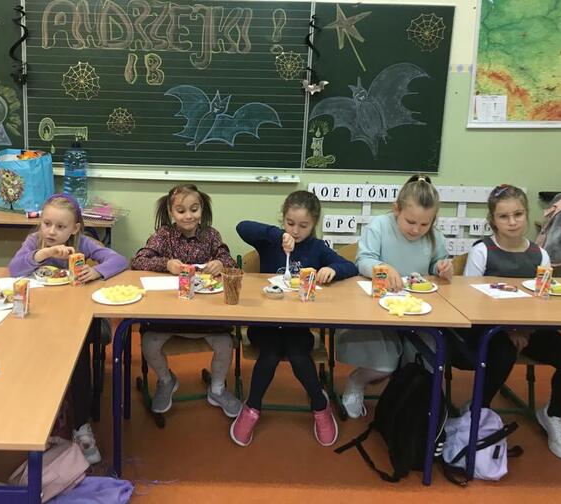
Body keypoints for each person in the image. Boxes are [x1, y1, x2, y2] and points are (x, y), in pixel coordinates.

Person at [461, 184, 561, 460]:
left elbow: (543, 298)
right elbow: (470, 298)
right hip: (491, 328)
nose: (512, 221)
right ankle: (479, 409)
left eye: (518, 214)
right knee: (503, 354)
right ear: (493, 220)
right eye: (504, 216)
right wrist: (509, 329)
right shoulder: (482, 251)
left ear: (527, 214)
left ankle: (554, 414)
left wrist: (525, 329)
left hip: (531, 329)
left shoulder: (540, 255)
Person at [231, 190, 357, 447]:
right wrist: (278, 235)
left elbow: (350, 267)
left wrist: (332, 269)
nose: (296, 231)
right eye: (290, 223)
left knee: (298, 354)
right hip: (265, 324)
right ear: (283, 219)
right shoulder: (271, 242)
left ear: (314, 224)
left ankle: (320, 407)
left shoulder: (317, 248)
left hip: (298, 326)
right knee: (270, 354)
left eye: (303, 226)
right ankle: (252, 408)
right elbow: (242, 227)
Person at [9, 193, 128, 465]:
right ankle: (39, 418)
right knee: (25, 350)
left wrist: (97, 272)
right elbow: (14, 269)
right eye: (47, 224)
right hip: (41, 319)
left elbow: (119, 260)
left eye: (60, 227)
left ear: (74, 228)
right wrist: (44, 254)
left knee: (77, 358)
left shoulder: (82, 243)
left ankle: (81, 425)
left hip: (77, 320)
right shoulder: (34, 242)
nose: (51, 232)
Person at [336, 174, 452, 418]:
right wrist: (382, 267)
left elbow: (436, 264)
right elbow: (363, 260)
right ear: (396, 209)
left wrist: (442, 267)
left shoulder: (435, 236)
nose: (416, 229)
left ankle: (409, 400)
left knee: (428, 360)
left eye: (424, 224)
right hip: (375, 310)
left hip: (416, 312)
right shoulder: (379, 226)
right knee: (384, 364)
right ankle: (357, 381)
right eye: (410, 221)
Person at [131, 184, 242, 418]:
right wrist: (166, 264)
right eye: (181, 211)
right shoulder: (163, 236)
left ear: (202, 209)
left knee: (225, 343)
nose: (188, 216)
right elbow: (139, 260)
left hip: (206, 314)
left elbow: (229, 260)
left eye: (194, 209)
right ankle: (166, 380)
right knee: (149, 342)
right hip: (170, 313)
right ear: (171, 212)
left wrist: (220, 264)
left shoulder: (211, 235)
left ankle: (217, 388)